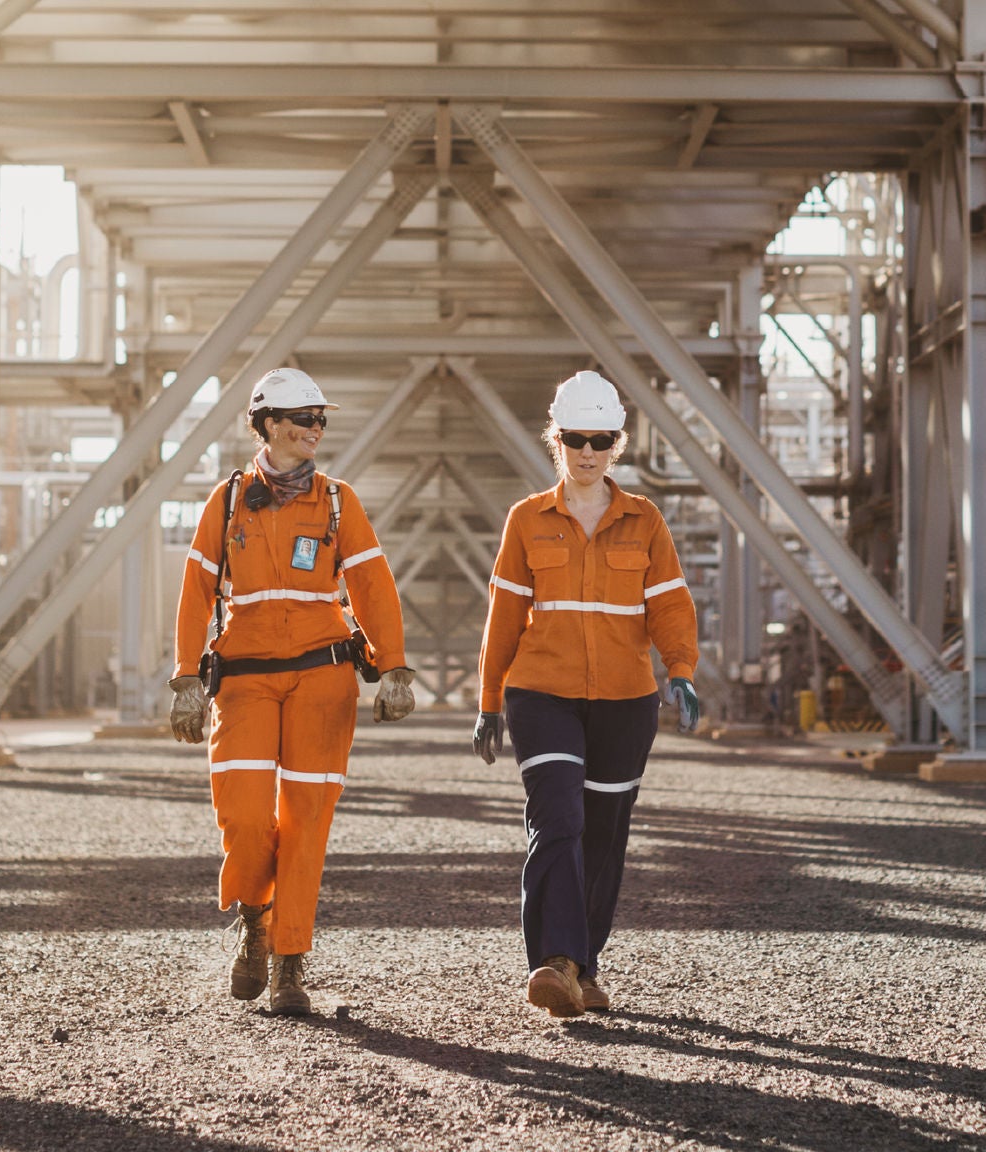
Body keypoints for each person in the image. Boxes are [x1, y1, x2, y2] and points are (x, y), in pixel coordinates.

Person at [170, 366, 417, 1016]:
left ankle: (288, 964)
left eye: (320, 420)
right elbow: (196, 593)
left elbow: (371, 584)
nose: (316, 430)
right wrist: (186, 678)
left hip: (323, 675)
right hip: (244, 680)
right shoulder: (226, 503)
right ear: (269, 427)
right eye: (304, 420)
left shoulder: (337, 502)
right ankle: (255, 923)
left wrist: (394, 667)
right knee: (247, 819)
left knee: (306, 823)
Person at [471, 369, 701, 1019]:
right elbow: (504, 617)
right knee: (559, 821)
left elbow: (671, 608)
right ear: (557, 439)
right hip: (541, 693)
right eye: (576, 439)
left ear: (617, 444)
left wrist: (681, 671)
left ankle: (585, 967)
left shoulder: (645, 522)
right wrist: (489, 700)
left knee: (603, 834)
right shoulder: (526, 521)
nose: (589, 452)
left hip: (627, 701)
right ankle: (555, 963)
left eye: (601, 439)